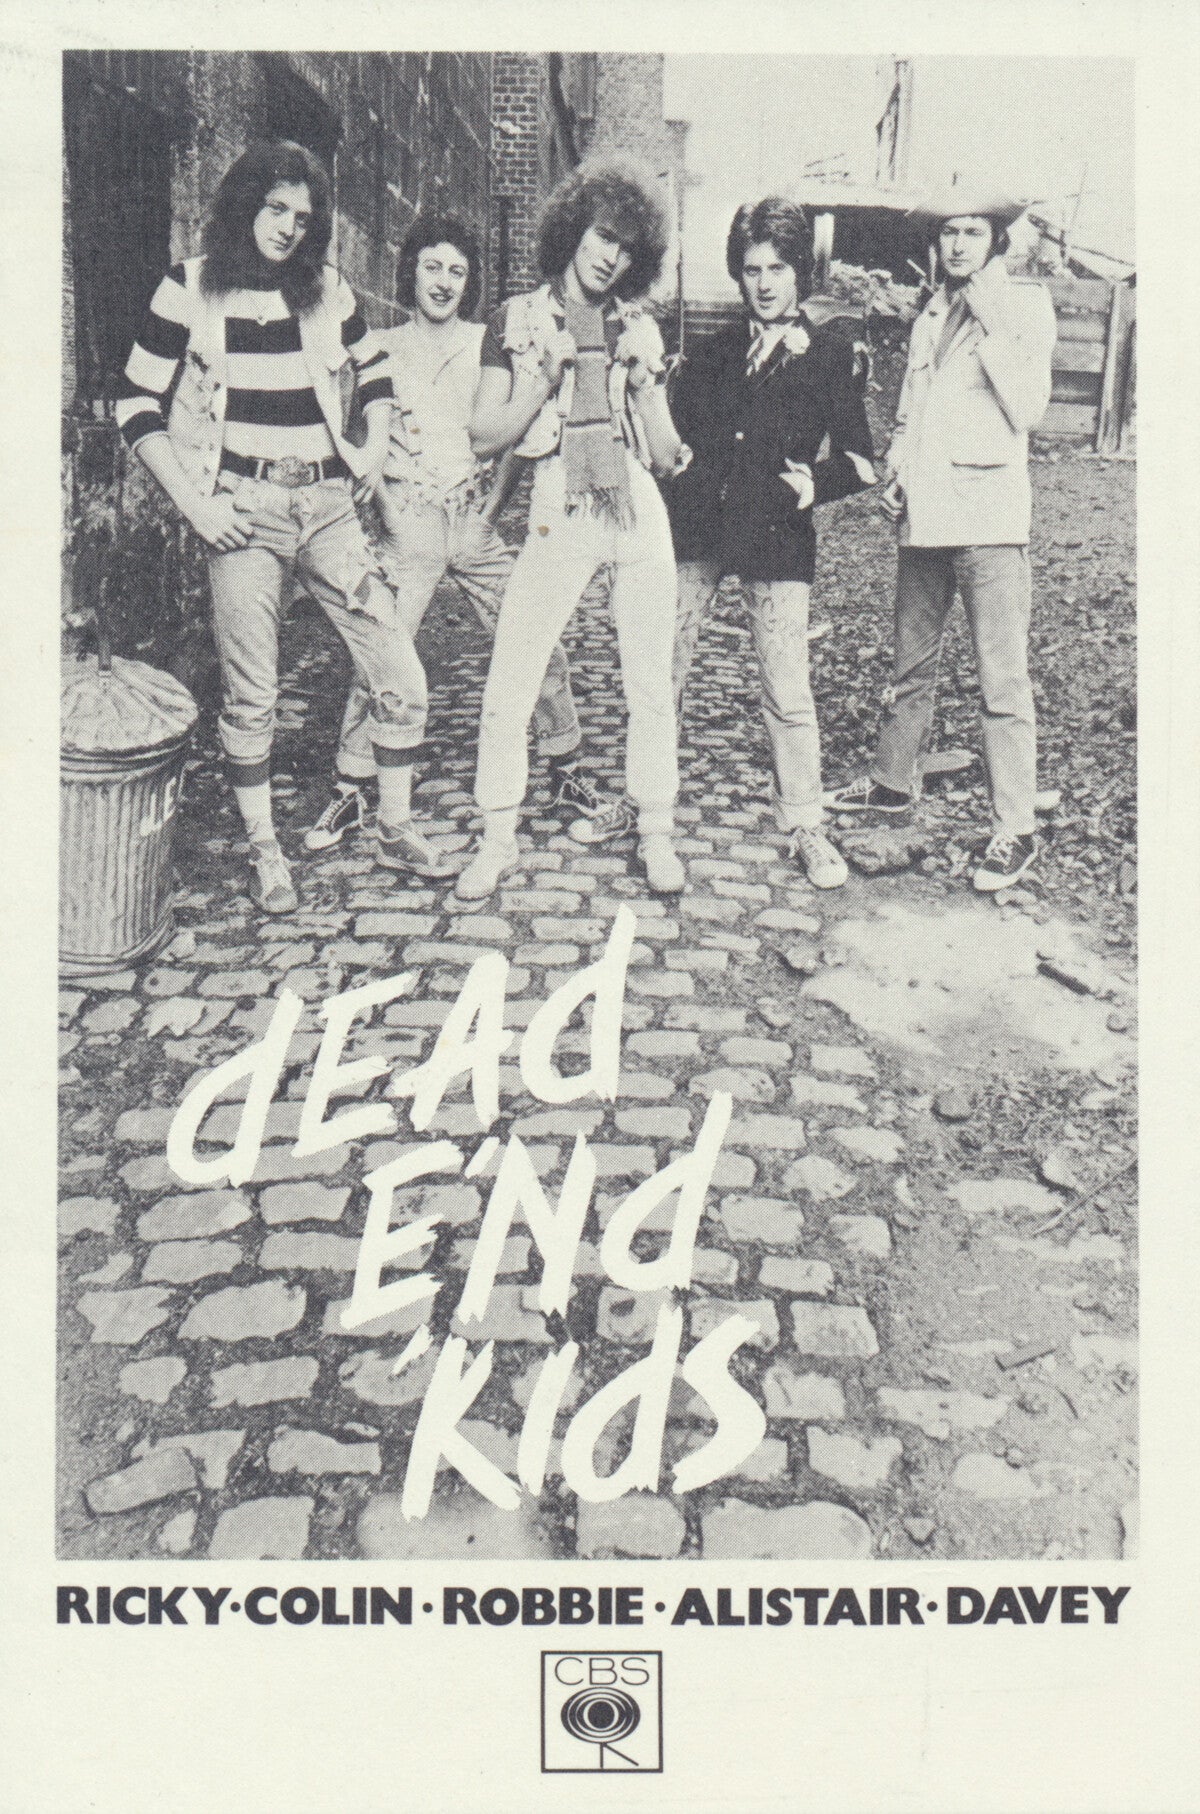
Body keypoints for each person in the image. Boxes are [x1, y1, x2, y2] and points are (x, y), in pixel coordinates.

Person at [115, 139, 437, 913]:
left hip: (329, 514)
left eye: (303, 215)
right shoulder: (188, 288)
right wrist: (197, 506)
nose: (289, 227)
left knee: (399, 669)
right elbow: (135, 403)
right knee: (252, 695)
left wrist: (371, 449)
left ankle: (394, 826)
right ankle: (265, 849)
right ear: (244, 205)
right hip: (244, 518)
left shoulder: (326, 290)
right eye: (275, 208)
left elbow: (376, 372)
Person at [307, 213, 613, 857]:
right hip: (409, 523)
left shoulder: (488, 340)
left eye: (457, 271)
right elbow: (361, 438)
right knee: (381, 653)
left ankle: (566, 767)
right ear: (411, 271)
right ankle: (353, 784)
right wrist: (387, 507)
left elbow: (517, 431)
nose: (443, 282)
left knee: (534, 634)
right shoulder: (380, 345)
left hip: (473, 521)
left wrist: (493, 508)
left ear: (469, 282)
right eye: (432, 267)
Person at [826, 189, 1056, 892]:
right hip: (926, 516)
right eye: (948, 232)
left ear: (996, 241)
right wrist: (897, 470)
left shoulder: (1024, 306)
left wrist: (992, 322)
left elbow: (1028, 408)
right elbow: (910, 411)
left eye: (972, 233)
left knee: (1001, 678)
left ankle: (1016, 827)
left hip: (989, 521)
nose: (957, 245)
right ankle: (893, 785)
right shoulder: (931, 310)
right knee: (910, 665)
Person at [665, 197, 876, 890]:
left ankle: (806, 823)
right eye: (752, 269)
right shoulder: (712, 352)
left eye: (777, 269)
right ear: (739, 272)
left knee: (787, 685)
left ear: (799, 273)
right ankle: (645, 802)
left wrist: (811, 484)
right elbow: (678, 442)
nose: (763, 283)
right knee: (663, 668)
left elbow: (861, 462)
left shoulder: (831, 354)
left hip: (778, 536)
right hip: (698, 530)